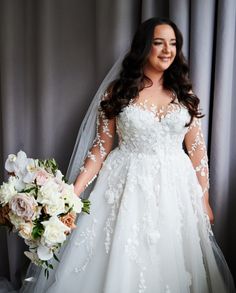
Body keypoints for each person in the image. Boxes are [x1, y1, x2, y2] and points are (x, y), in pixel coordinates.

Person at [21, 17, 235, 293]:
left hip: (176, 188)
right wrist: (73, 193)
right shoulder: (118, 92)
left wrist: (204, 198)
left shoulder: (184, 94)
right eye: (159, 43)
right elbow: (99, 150)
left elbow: (197, 152)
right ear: (144, 47)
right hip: (126, 183)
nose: (167, 50)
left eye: (173, 44)